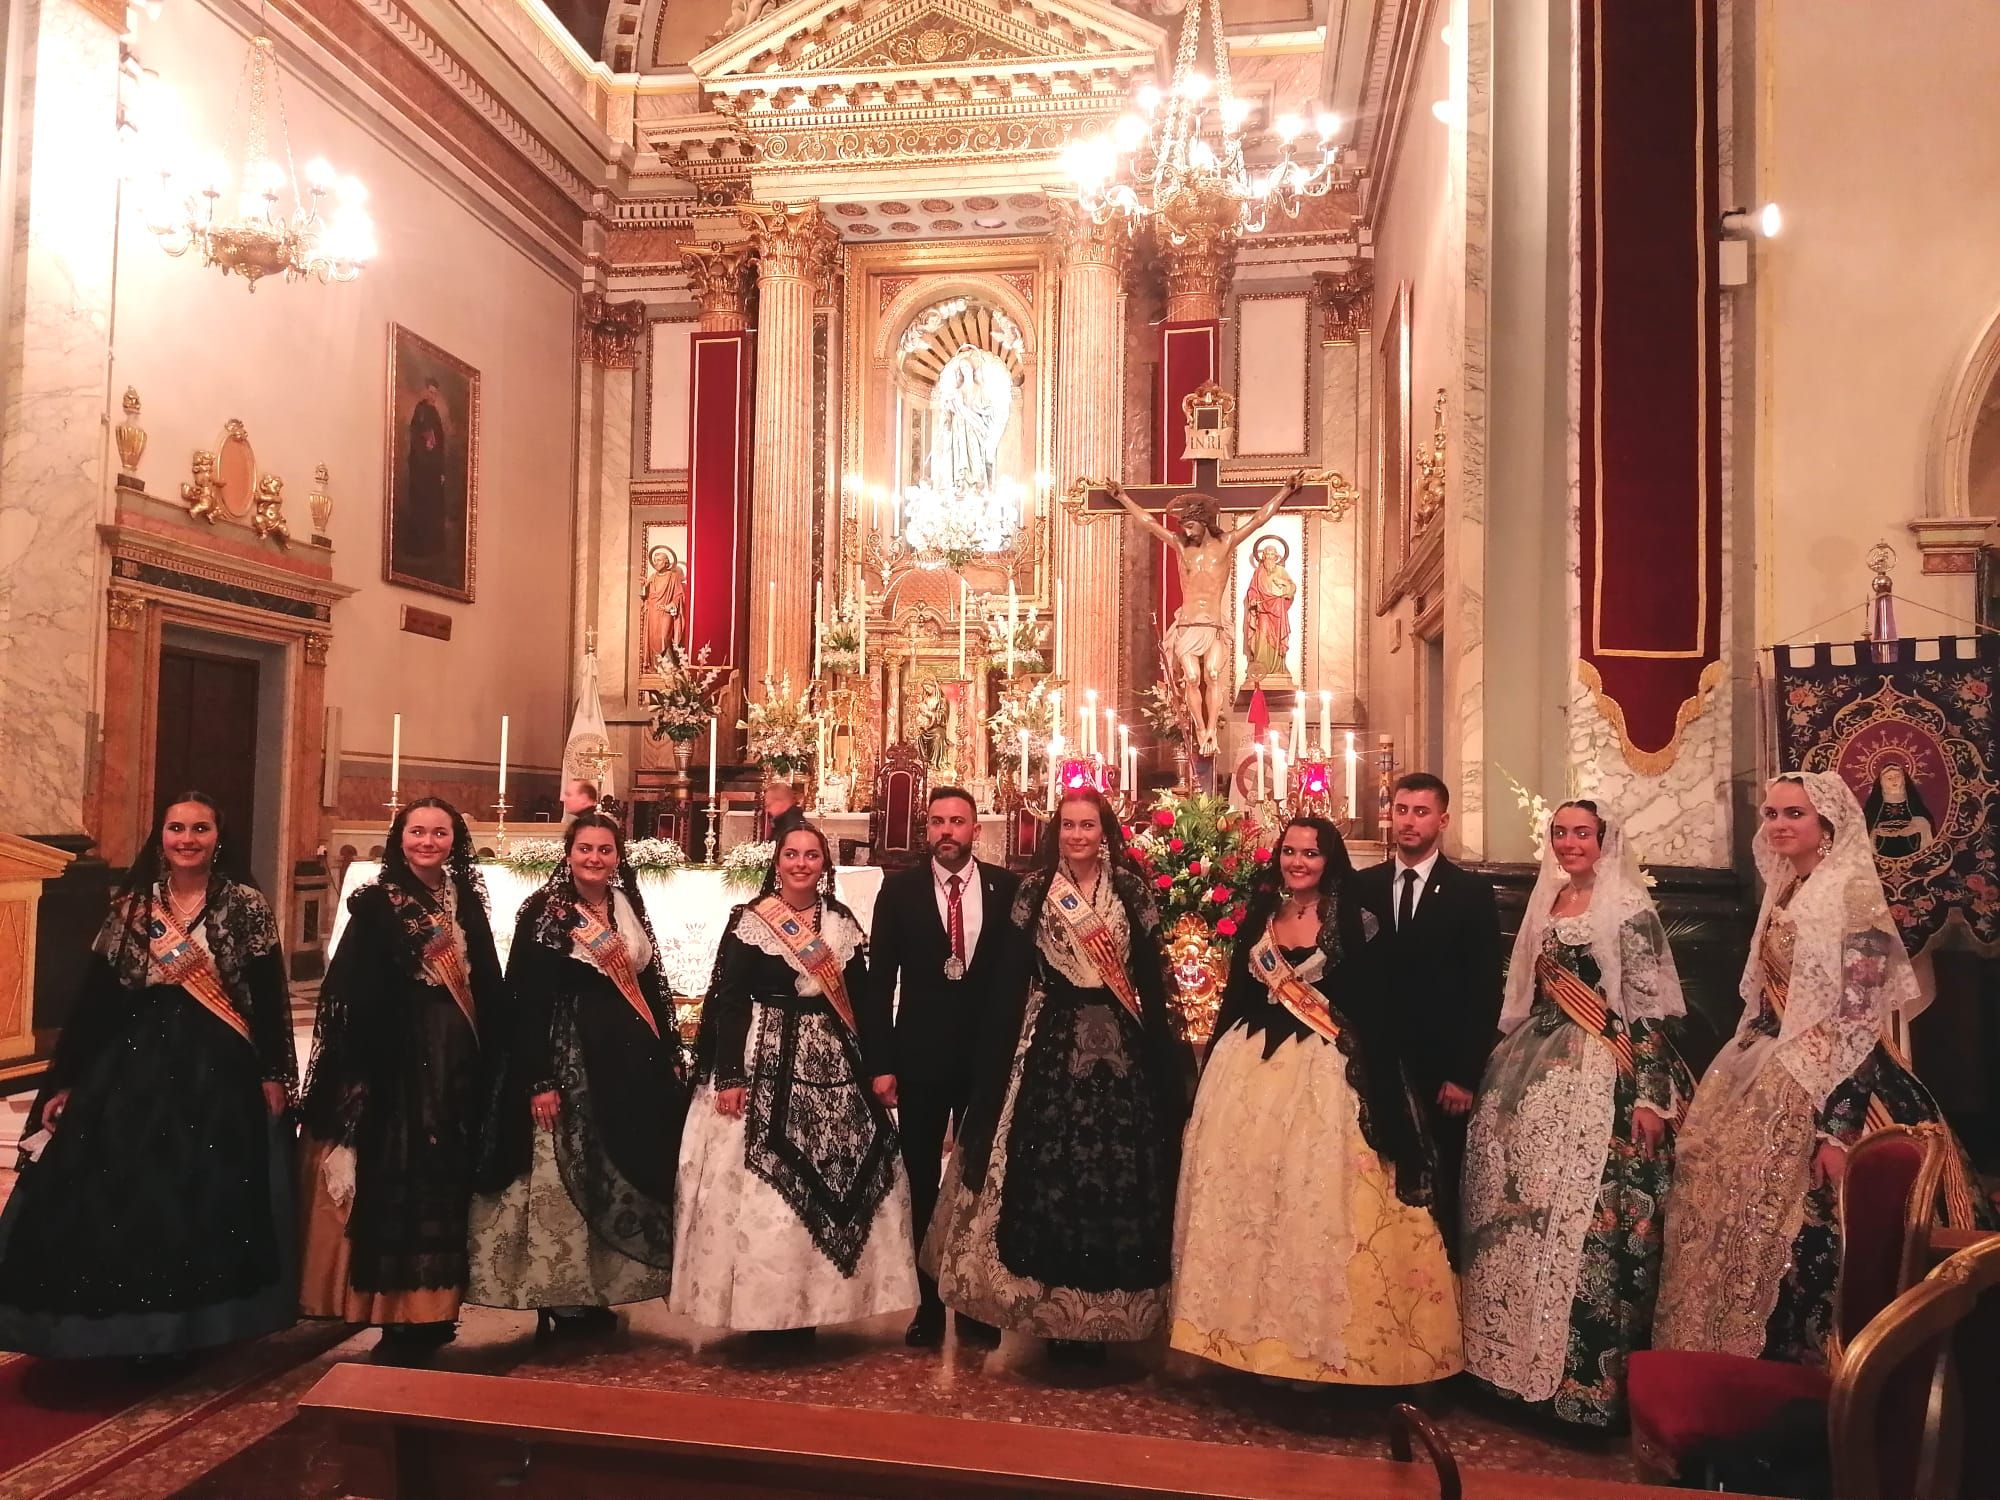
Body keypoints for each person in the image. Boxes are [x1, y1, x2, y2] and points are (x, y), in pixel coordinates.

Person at [1654, 772, 1991, 1365]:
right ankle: (1718, 1363)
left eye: (1794, 815)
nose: (1778, 825)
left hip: (1840, 1081)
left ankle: (1831, 1373)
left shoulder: (1853, 898)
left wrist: (1837, 1129)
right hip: (1766, 1065)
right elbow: (1768, 1000)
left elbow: (1859, 1022)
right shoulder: (1784, 891)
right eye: (1771, 815)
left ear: (1827, 826)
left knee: (1825, 1224)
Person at [0, 793, 296, 1361]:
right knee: (125, 1185)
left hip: (219, 1064)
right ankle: (125, 1327)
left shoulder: (247, 906)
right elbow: (97, 1001)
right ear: (160, 836)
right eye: (177, 828)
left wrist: (276, 1071)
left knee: (203, 1188)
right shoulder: (133, 907)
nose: (188, 838)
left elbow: (267, 998)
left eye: (200, 828)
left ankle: (192, 1329)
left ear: (219, 836)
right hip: (134, 1062)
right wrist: (68, 1080)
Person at [1171, 817, 1460, 1385]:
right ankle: (1240, 1337)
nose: (1298, 862)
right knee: (1250, 1196)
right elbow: (1237, 994)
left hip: (1327, 1074)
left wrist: (1369, 1069)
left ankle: (1319, 1347)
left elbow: (1378, 1005)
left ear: (1330, 861)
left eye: (1310, 853)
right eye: (1289, 852)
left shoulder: (1359, 921)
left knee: (1315, 1195)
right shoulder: (1262, 917)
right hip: (1249, 1067)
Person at [926, 788, 1192, 1362]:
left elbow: (1150, 974)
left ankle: (1115, 1315)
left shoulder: (1131, 891)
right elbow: (1010, 979)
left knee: (1120, 1169)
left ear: (1105, 832)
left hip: (1124, 1050)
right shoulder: (1034, 891)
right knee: (1046, 1165)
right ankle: (1046, 1311)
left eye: (1087, 826)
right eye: (1068, 825)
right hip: (1049, 1044)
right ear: (1058, 832)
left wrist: (1165, 1056)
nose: (1077, 835)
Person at [1459, 801, 1696, 1427]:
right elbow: (1527, 991)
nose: (1568, 843)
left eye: (1581, 833)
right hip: (1534, 1056)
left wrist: (1649, 1096)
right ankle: (1504, 1363)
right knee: (1515, 1202)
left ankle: (1581, 1382)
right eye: (1559, 833)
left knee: (1587, 1215)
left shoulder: (1628, 908)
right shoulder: (1549, 899)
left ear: (1604, 840)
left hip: (1603, 1070)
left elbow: (1646, 1012)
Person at [672, 823, 916, 1334]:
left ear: (824, 864)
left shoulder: (840, 920)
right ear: (777, 861)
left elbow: (865, 999)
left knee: (845, 1168)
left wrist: (878, 1064)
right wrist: (731, 1074)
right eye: (791, 854)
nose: (801, 864)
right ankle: (764, 1306)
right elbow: (732, 999)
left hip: (833, 1055)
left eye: (811, 855)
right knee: (764, 1180)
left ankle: (818, 1305)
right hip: (765, 1053)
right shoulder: (751, 920)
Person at [298, 798, 505, 1363]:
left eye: (440, 833)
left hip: (457, 1053)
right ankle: (392, 1315)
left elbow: (484, 976)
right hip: (396, 1055)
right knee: (398, 1171)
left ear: (454, 841)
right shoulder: (376, 902)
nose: (428, 842)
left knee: (445, 1172)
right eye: (418, 832)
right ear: (401, 837)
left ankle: (434, 1310)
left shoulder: (465, 900)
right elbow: (348, 986)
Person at [466, 814, 688, 1335]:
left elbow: (650, 980)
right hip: (570, 1057)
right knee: (568, 1167)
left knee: (615, 1166)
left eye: (605, 850)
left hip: (627, 1057)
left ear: (618, 856)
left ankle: (602, 1287)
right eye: (585, 848)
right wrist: (538, 1079)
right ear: (568, 853)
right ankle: (561, 1293)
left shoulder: (625, 905)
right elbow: (525, 999)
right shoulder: (545, 912)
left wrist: (670, 1046)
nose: (595, 858)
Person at [860, 787, 1020, 1348]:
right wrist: (879, 1063)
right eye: (937, 822)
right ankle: (928, 1305)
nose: (947, 831)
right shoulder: (898, 889)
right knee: (922, 1181)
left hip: (985, 1060)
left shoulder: (1007, 888)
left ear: (977, 829)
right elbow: (879, 983)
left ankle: (974, 1304)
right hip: (919, 1058)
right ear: (926, 830)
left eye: (958, 821)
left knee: (976, 1181)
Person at [1350, 772, 1503, 1214]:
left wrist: (1464, 1075)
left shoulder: (1469, 892)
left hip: (1441, 1069)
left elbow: (1484, 987)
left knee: (1439, 1185)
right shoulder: (1364, 886)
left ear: (1443, 819)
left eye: (1421, 812)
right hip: (1376, 1061)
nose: (1409, 822)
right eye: (1401, 810)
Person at [1107, 478, 1304, 756]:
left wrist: (1285, 491)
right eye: (1183, 526)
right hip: (1188, 624)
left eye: (1190, 525)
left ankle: (1212, 728)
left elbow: (1259, 519)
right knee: (1190, 676)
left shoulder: (1225, 543)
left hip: (1212, 624)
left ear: (1203, 522)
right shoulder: (1180, 545)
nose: (1186, 531)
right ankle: (1199, 728)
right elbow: (1150, 524)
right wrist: (1123, 498)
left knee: (1212, 674)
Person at [1239, 537, 1297, 685]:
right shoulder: (1258, 573)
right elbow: (1252, 590)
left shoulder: (1281, 571)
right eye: (1267, 554)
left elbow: (1292, 587)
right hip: (1263, 611)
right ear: (1263, 557)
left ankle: (1277, 667)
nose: (1270, 557)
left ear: (1276, 557)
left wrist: (1283, 584)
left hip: (1277, 611)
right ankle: (1260, 668)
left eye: (1272, 554)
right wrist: (1252, 599)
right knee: (1262, 637)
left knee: (1277, 639)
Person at [1862, 763, 1935, 859]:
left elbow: (1925, 822)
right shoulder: (1875, 805)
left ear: (1903, 779)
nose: (1894, 780)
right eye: (1889, 778)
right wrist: (1875, 833)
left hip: (1910, 845)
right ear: (1882, 782)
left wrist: (1917, 825)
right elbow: (1867, 826)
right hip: (1882, 846)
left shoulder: (1912, 801)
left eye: (1897, 776)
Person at [761, 778, 804, 843]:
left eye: (769, 805)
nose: (767, 810)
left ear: (780, 803)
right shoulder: (783, 823)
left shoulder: (790, 828)